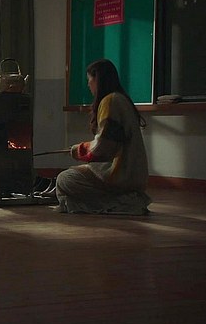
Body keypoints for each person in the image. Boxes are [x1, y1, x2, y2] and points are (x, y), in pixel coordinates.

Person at [55, 59, 151, 215]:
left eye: (89, 80)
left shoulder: (110, 101)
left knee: (64, 179)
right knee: (71, 178)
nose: (88, 84)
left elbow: (104, 147)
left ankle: (124, 203)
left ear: (97, 79)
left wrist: (78, 150)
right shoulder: (121, 99)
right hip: (133, 174)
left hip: (122, 175)